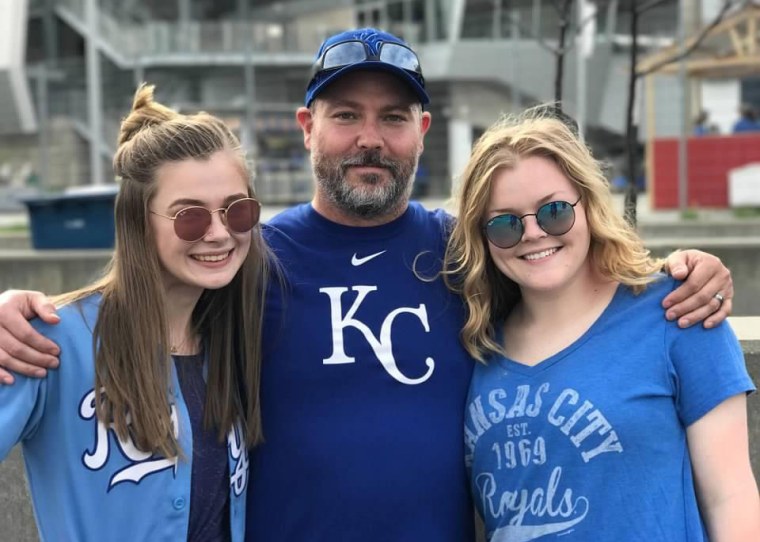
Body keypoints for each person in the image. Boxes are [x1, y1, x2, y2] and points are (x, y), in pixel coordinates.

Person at [0, 28, 735, 541]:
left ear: (422, 128)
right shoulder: (251, 260)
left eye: (392, 117)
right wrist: (20, 313)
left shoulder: (471, 251)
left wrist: (687, 269)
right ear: (308, 127)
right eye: (345, 115)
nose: (368, 138)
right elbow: (152, 292)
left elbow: (567, 274)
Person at [446, 108, 759, 540]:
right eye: (505, 224)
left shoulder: (679, 313)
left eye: (554, 211)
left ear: (589, 205)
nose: (534, 233)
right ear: (482, 238)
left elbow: (732, 498)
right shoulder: (476, 348)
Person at [0, 84, 270, 541]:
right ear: (137, 221)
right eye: (191, 217)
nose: (221, 234)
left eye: (237, 211)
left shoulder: (238, 337)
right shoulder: (48, 341)